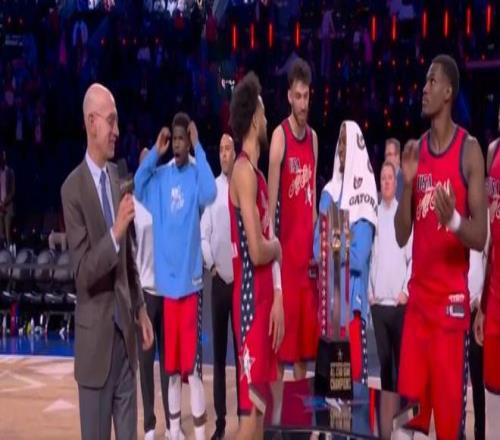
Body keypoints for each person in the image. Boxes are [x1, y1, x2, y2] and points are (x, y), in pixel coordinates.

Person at [395, 54, 487, 439]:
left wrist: (453, 221)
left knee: (449, 429)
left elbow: (480, 235)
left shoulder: (470, 150)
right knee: (406, 425)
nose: (424, 88)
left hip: (450, 314)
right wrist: (407, 185)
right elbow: (401, 235)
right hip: (418, 310)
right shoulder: (415, 151)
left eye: (432, 82)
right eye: (425, 81)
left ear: (448, 92)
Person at [61, 83, 154, 440]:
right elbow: (83, 273)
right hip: (95, 349)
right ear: (92, 122)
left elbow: (128, 258)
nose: (117, 130)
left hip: (125, 342)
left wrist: (141, 309)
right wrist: (115, 232)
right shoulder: (72, 190)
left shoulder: (119, 179)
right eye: (111, 121)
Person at [134, 113, 216, 440]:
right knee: (170, 371)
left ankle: (199, 436)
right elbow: (138, 183)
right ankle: (172, 432)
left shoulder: (196, 174)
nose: (179, 144)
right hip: (167, 292)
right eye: (176, 140)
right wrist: (156, 151)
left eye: (183, 139)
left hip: (191, 288)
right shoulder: (161, 178)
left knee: (192, 371)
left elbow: (210, 192)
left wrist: (200, 147)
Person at [228, 72, 284, 440]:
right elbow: (257, 248)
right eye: (262, 112)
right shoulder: (243, 172)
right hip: (250, 303)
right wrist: (277, 246)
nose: (266, 118)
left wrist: (278, 296)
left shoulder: (258, 176)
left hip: (265, 300)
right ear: (253, 121)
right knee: (250, 418)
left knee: (262, 413)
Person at [314, 120, 377, 385]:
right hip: (329, 309)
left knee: (352, 387)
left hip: (352, 309)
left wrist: (335, 236)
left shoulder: (366, 195)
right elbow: (318, 248)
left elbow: (360, 258)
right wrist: (344, 236)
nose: (341, 149)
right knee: (329, 390)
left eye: (346, 142)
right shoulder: (328, 193)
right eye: (339, 142)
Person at [268, 58, 318, 380]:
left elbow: (311, 203)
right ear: (289, 96)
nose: (302, 103)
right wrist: (274, 271)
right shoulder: (279, 136)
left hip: (306, 265)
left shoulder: (313, 138)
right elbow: (270, 208)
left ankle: (298, 411)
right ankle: (275, 411)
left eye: (306, 96)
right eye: (297, 96)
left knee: (303, 353)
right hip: (285, 263)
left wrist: (317, 251)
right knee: (279, 349)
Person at [134, 148, 185, 440]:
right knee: (145, 363)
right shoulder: (134, 204)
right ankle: (150, 426)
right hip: (145, 295)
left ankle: (173, 425)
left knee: (170, 363)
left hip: (168, 292)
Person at [200, 133, 237, 440]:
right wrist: (211, 265)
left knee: (243, 355)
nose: (225, 154)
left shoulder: (244, 187)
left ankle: (246, 416)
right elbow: (203, 235)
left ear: (235, 153)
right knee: (219, 354)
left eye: (229, 149)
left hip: (240, 284)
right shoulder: (211, 192)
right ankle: (221, 422)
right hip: (219, 282)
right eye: (221, 149)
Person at [369, 160, 412, 391]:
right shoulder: (373, 216)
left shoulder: (403, 215)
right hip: (378, 305)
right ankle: (387, 410)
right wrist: (369, 293)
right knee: (385, 367)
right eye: (383, 178)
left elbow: (412, 257)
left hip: (398, 305)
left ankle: (401, 409)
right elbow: (368, 257)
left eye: (390, 178)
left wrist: (405, 291)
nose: (386, 182)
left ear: (396, 183)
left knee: (402, 365)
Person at [474, 104, 500, 439]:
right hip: (493, 300)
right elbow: (490, 241)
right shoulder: (493, 150)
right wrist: (482, 304)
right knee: (492, 401)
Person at [0, 149, 15, 245]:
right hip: (0, 205)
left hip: (8, 206)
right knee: (0, 233)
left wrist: (5, 202)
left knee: (8, 232)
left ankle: (9, 249)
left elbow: (13, 191)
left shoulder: (10, 172)